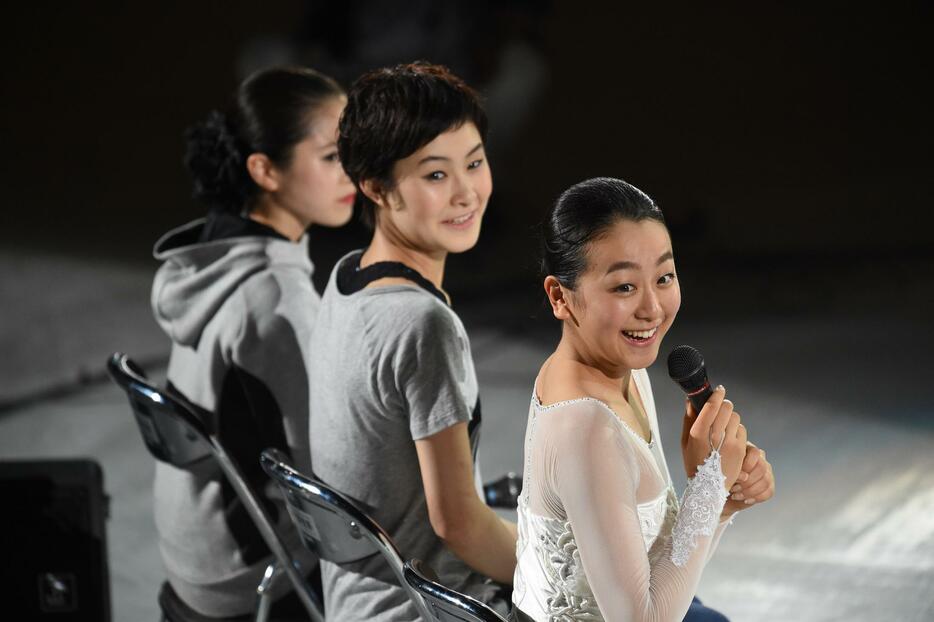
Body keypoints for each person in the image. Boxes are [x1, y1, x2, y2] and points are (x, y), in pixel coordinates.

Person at [511, 178, 776, 621]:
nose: (652, 308)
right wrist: (711, 485)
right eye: (624, 287)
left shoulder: (626, 371)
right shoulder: (586, 427)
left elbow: (658, 574)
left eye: (664, 277)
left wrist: (723, 502)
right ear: (560, 296)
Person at [309, 61, 517, 621]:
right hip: (427, 608)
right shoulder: (423, 325)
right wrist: (563, 571)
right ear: (376, 187)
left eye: (474, 163)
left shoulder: (346, 279)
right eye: (434, 175)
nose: (467, 192)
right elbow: (459, 525)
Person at [150, 66, 355, 618]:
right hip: (248, 580)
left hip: (191, 557)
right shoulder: (276, 301)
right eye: (332, 156)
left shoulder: (206, 257)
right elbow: (329, 483)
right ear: (265, 169)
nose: (354, 173)